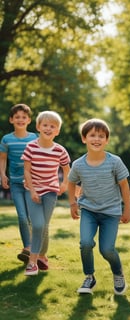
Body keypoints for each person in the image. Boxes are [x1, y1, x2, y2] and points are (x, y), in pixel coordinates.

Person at [68, 119, 130, 295]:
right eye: (92, 135)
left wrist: (127, 209)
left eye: (101, 136)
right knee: (86, 243)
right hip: (88, 210)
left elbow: (124, 186)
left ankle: (118, 273)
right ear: (84, 138)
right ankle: (89, 276)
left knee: (107, 249)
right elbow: (71, 182)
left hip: (111, 212)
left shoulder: (114, 161)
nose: (96, 139)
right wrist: (73, 203)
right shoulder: (78, 164)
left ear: (107, 140)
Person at [22, 110, 70, 276]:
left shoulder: (60, 150)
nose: (49, 129)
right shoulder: (31, 147)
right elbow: (26, 171)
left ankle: (42, 256)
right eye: (45, 125)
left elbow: (66, 168)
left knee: (44, 226)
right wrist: (33, 190)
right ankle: (32, 262)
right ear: (38, 127)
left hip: (50, 191)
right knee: (38, 225)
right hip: (32, 190)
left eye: (53, 126)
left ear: (57, 131)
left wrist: (64, 183)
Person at [0, 104, 38, 263]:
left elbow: (40, 158)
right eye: (17, 117)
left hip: (32, 184)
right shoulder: (6, 139)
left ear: (29, 120)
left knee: (31, 216)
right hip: (15, 183)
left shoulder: (34, 138)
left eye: (24, 117)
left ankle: (35, 249)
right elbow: (2, 159)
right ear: (11, 120)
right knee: (22, 216)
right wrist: (2, 174)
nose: (20, 120)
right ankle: (27, 247)